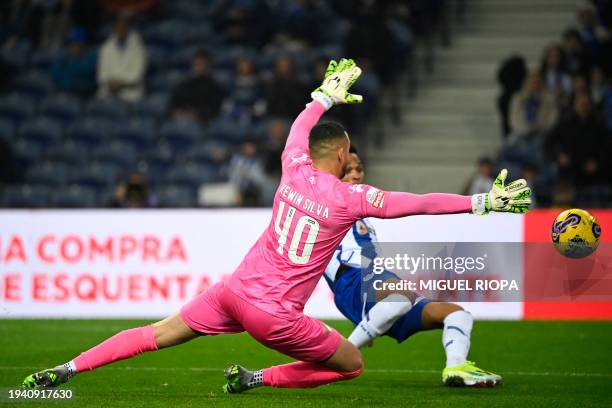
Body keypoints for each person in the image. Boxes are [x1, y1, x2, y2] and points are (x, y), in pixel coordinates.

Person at [22, 59, 530, 393]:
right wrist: (481, 202)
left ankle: (68, 369)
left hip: (230, 291)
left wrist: (324, 97)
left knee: (158, 332)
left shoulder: (292, 163)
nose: (353, 154)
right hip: (273, 314)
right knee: (351, 363)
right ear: (339, 153)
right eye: (349, 149)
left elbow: (299, 127)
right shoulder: (351, 198)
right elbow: (416, 203)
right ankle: (256, 380)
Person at [324, 148, 502, 387]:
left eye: (359, 169)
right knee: (401, 296)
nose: (356, 175)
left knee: (456, 314)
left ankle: (456, 367)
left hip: (376, 290)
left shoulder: (362, 212)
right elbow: (324, 264)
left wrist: (363, 316)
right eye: (348, 170)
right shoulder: (327, 206)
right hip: (355, 281)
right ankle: (342, 354)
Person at [96, 13, 147, 102]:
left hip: (130, 92)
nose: (120, 29)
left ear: (128, 28)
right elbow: (102, 73)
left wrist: (121, 83)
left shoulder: (139, 48)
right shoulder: (106, 47)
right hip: (109, 91)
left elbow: (137, 74)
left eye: (123, 26)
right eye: (118, 27)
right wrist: (112, 83)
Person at [169, 49, 225, 124]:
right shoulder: (184, 84)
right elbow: (173, 104)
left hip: (201, 123)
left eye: (201, 64)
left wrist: (197, 115)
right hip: (180, 120)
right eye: (196, 64)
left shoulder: (215, 86)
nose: (198, 67)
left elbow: (215, 110)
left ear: (208, 66)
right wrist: (177, 113)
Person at [50, 27, 97, 97]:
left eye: (78, 44)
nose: (75, 47)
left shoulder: (92, 57)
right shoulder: (62, 57)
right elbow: (55, 74)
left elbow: (89, 76)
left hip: (84, 95)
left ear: (84, 45)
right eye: (72, 43)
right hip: (63, 92)